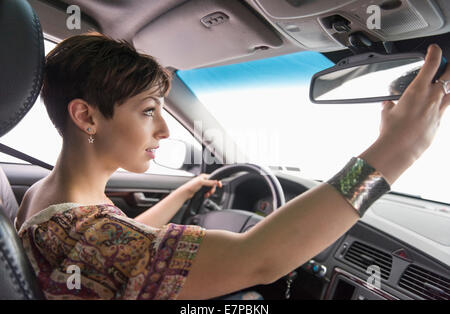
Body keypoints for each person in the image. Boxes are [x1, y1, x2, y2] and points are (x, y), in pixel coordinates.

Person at [15, 32, 450, 300]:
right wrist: (396, 152)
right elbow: (258, 258)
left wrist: (185, 193)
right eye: (149, 111)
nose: (165, 131)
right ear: (86, 116)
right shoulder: (88, 236)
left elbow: (128, 246)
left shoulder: (50, 199)